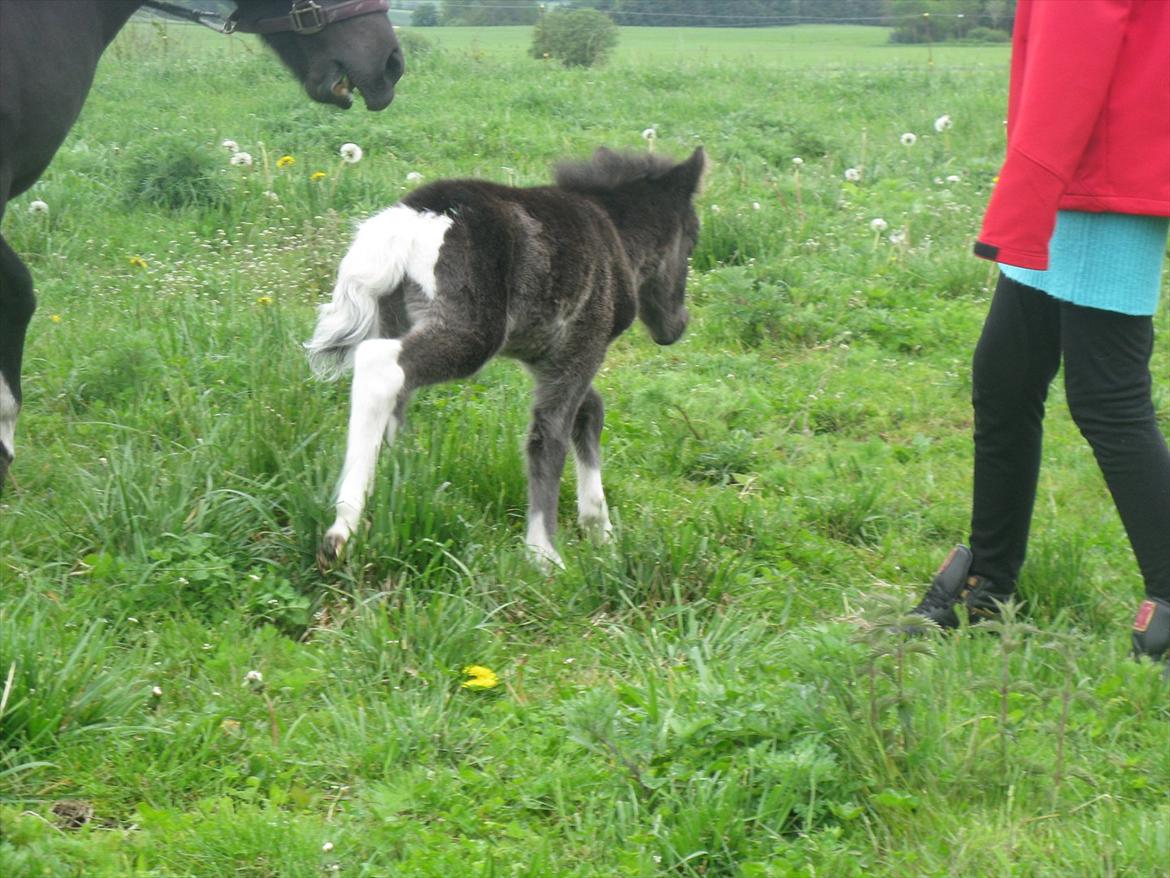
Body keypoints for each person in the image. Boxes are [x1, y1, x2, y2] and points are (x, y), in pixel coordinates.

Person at [909, 0, 1170, 662]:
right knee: (1005, 374)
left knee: (1107, 395)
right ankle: (988, 585)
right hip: (1084, 161)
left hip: (1103, 160)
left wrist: (1033, 176)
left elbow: (1075, 44)